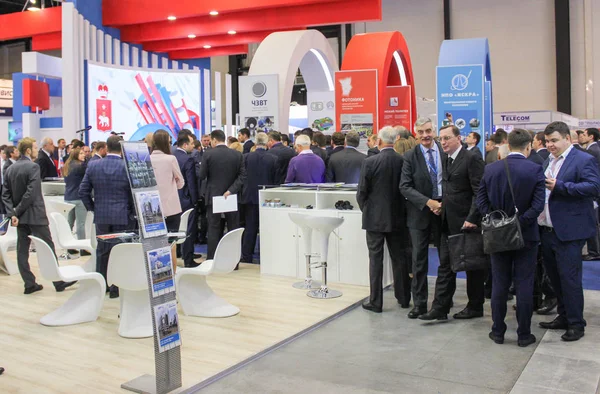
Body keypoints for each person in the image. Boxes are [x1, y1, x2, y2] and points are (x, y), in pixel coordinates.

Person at [477, 129, 545, 347]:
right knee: (524, 284)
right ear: (528, 146)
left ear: (507, 145)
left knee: (499, 283)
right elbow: (537, 206)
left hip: (498, 236)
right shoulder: (535, 169)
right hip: (526, 236)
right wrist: (519, 223)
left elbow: (481, 202)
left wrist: (498, 222)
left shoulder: (491, 169)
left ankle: (497, 331)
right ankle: (524, 334)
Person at [538, 121, 600, 341]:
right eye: (547, 141)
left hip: (570, 232)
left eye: (554, 140)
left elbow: (593, 187)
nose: (550, 145)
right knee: (555, 279)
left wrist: (560, 186)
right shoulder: (548, 160)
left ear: (567, 138)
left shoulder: (584, 159)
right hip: (547, 230)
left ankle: (576, 323)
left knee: (570, 280)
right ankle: (563, 316)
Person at [419, 124, 486, 321]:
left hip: (468, 224)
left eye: (447, 138)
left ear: (459, 138)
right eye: (441, 139)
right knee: (446, 265)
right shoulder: (447, 159)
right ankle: (439, 308)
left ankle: (475, 306)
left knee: (473, 267)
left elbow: (479, 191)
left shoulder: (471, 158)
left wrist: (473, 218)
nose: (443, 142)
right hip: (448, 222)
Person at [2, 137, 75, 294]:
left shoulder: (10, 169)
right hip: (35, 215)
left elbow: (5, 194)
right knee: (48, 247)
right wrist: (17, 211)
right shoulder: (33, 167)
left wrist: (12, 213)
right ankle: (58, 282)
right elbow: (31, 193)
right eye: (35, 148)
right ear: (28, 150)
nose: (36, 150)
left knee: (22, 251)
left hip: (20, 218)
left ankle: (29, 283)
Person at [357, 126, 410, 312]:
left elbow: (361, 192)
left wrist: (367, 210)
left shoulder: (370, 162)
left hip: (374, 218)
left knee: (375, 260)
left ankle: (376, 301)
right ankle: (404, 298)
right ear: (395, 141)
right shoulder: (403, 160)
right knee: (399, 258)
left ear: (379, 141)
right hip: (397, 217)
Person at [79, 136, 135, 298]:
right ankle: (117, 287)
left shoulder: (93, 165)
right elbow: (132, 193)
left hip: (102, 215)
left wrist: (93, 208)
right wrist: (131, 212)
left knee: (102, 251)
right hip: (122, 215)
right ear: (122, 147)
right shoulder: (127, 166)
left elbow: (83, 191)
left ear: (107, 148)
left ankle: (102, 284)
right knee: (120, 251)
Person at [400, 117, 445, 319]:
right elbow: (405, 186)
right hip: (419, 214)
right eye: (421, 132)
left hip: (444, 212)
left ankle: (443, 302)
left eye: (428, 131)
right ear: (416, 134)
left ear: (433, 130)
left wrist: (443, 204)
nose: (425, 135)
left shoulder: (445, 152)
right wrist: (429, 203)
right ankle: (419, 304)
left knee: (446, 259)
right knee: (419, 261)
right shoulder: (410, 156)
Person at [198, 129, 246, 260]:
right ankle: (234, 261)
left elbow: (202, 175)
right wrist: (231, 190)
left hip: (213, 195)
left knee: (213, 228)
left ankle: (212, 259)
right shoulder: (237, 155)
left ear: (214, 140)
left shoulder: (208, 154)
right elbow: (242, 176)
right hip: (231, 196)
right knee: (233, 229)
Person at [240, 132, 277, 264]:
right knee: (267, 228)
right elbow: (275, 180)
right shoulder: (273, 158)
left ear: (255, 143)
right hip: (267, 198)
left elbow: (242, 177)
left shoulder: (246, 157)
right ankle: (267, 256)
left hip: (249, 196)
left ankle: (246, 256)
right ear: (267, 143)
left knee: (250, 228)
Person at [173, 133, 200, 267]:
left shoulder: (171, 156)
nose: (193, 145)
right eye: (191, 143)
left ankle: (175, 256)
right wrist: (195, 200)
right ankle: (188, 260)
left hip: (172, 199)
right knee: (187, 230)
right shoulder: (187, 159)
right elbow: (191, 182)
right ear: (185, 144)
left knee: (174, 229)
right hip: (185, 199)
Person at [150, 130, 184, 232]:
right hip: (171, 208)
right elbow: (181, 183)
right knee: (172, 242)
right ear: (166, 143)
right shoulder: (171, 159)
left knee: (155, 242)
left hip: (152, 209)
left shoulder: (146, 159)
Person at [62, 147, 89, 253]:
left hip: (68, 197)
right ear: (76, 155)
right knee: (80, 224)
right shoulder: (81, 166)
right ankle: (83, 247)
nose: (84, 155)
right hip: (79, 198)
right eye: (81, 153)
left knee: (69, 223)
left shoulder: (67, 166)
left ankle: (69, 247)